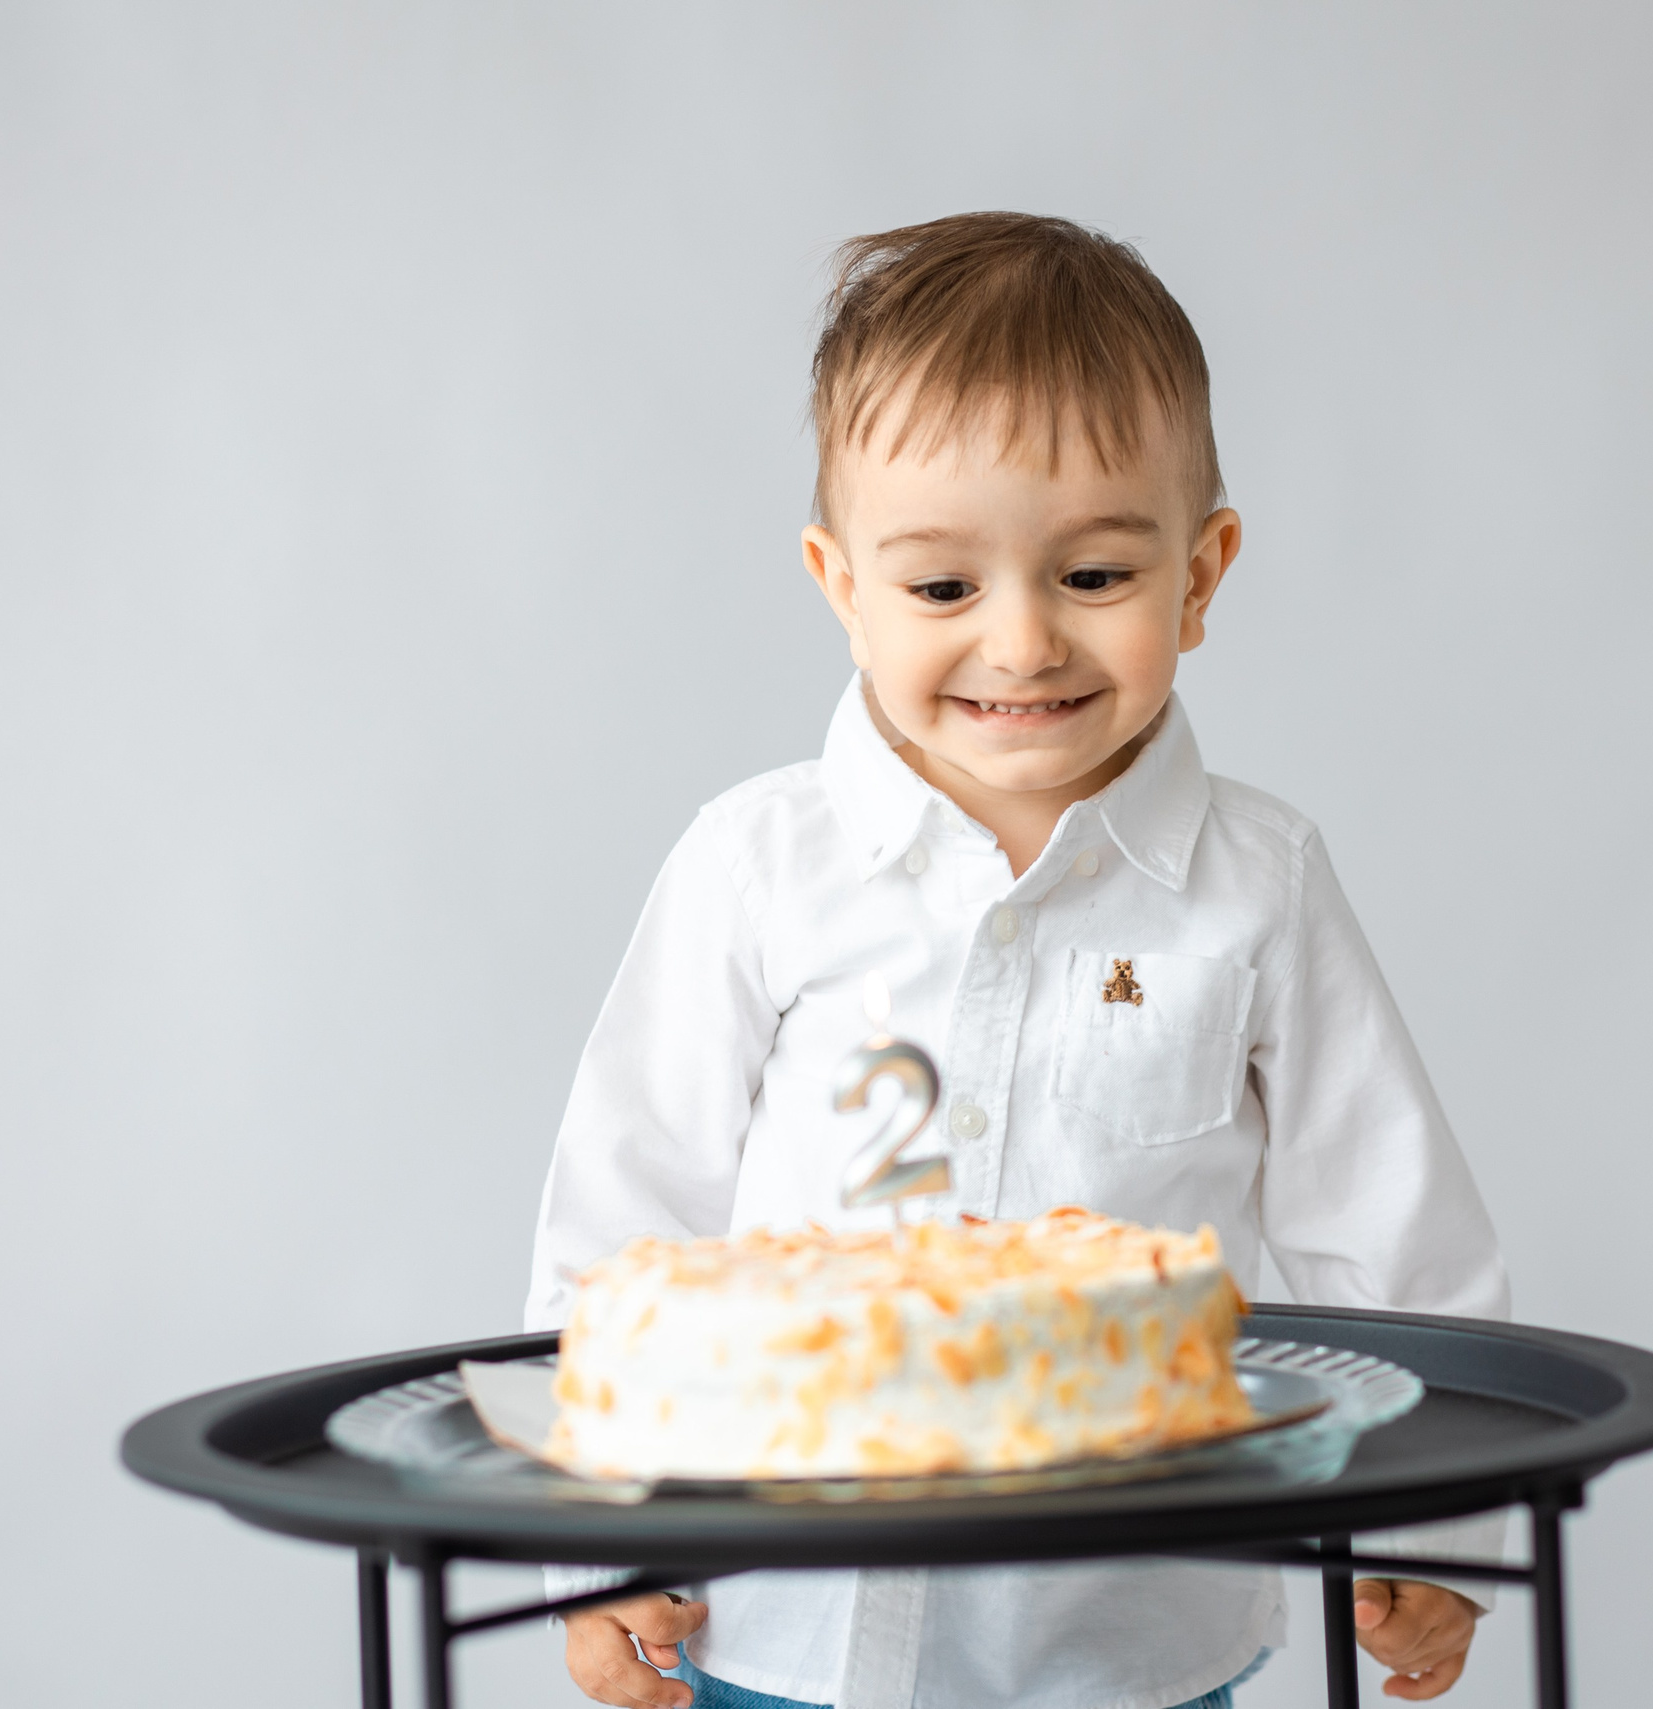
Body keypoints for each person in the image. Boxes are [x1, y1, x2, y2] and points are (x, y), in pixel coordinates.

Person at [525, 212, 1509, 1709]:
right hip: (792, 1630)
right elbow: (627, 1217)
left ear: (1202, 568)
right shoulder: (756, 867)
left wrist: (1435, 1532)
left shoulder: (1259, 886)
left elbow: (1389, 1224)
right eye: (941, 588)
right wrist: (594, 1541)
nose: (1022, 639)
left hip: (1137, 1639)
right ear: (838, 580)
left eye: (1095, 573)